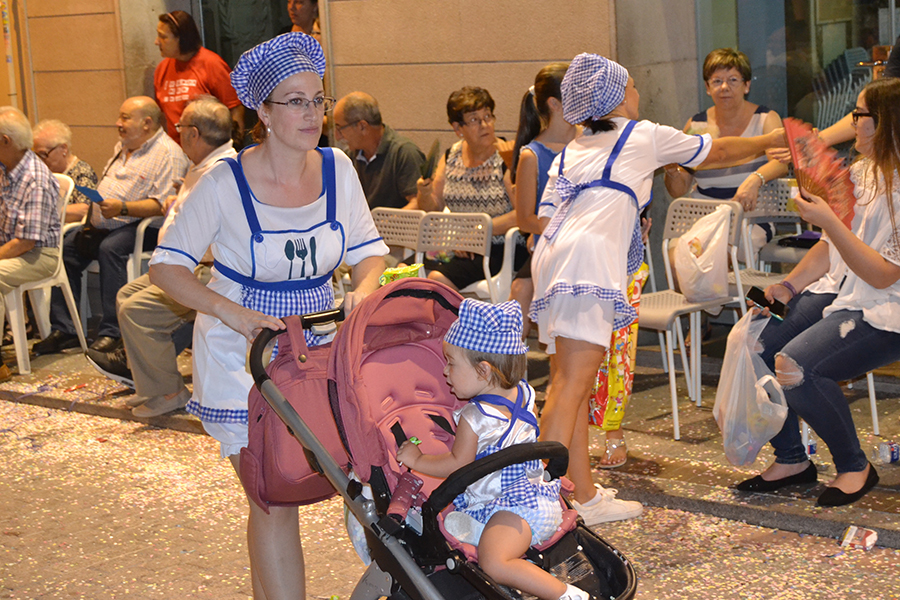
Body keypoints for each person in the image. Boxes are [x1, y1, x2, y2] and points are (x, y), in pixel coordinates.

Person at [148, 33, 387, 598]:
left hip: (321, 349)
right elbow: (166, 267)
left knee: (332, 483)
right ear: (263, 110)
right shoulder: (223, 182)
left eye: (318, 100)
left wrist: (363, 288)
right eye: (296, 101)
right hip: (242, 356)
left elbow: (369, 250)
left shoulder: (338, 168)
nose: (313, 114)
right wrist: (229, 312)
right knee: (273, 495)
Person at [531, 53, 786, 525]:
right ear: (614, 96)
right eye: (631, 85)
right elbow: (716, 153)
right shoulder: (641, 134)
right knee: (572, 387)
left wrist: (620, 224)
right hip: (587, 262)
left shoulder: (573, 147)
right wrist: (769, 141)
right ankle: (537, 500)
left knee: (568, 384)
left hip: (554, 259)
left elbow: (546, 219)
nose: (638, 92)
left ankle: (582, 496)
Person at [735, 78, 900, 507]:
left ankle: (854, 466)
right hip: (839, 289)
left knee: (795, 365)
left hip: (885, 307)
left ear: (886, 123)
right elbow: (829, 249)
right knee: (750, 338)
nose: (852, 122)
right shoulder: (861, 172)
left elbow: (883, 275)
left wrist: (828, 220)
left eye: (860, 114)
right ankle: (791, 458)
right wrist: (787, 286)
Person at [397, 299, 588, 600]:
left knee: (494, 562)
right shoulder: (524, 393)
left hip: (516, 510)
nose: (445, 371)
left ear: (483, 370)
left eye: (451, 363)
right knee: (470, 529)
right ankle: (480, 532)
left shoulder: (475, 417)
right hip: (538, 498)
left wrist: (417, 458)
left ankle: (566, 595)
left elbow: (456, 464)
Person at [85, 96, 237, 417]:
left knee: (138, 310)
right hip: (187, 264)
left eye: (180, 127)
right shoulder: (205, 165)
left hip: (209, 271)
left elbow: (214, 235)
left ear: (193, 133)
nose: (177, 133)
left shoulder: (221, 172)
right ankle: (147, 382)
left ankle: (168, 391)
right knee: (127, 294)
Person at [33, 96, 189, 356]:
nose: (118, 123)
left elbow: (163, 205)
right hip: (108, 222)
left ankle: (112, 331)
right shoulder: (123, 147)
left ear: (147, 123)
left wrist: (123, 208)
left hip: (144, 226)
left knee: (110, 248)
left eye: (125, 118)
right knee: (66, 248)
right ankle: (66, 328)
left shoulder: (168, 153)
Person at [664, 48, 788, 262]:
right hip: (703, 214)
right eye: (717, 81)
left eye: (732, 80)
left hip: (750, 215)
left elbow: (781, 163)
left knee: (719, 254)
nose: (724, 87)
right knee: (677, 255)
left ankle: (736, 286)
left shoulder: (765, 118)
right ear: (707, 87)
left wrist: (755, 179)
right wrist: (671, 169)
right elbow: (679, 189)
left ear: (746, 85)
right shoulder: (696, 125)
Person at [417, 86, 528, 291]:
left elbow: (521, 214)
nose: (485, 125)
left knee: (436, 279)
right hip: (458, 246)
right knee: (403, 271)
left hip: (499, 247)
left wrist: (477, 234)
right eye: (475, 120)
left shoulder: (507, 156)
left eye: (488, 116)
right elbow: (434, 208)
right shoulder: (451, 156)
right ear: (458, 128)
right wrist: (424, 193)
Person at [508, 62, 577, 338]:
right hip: (552, 249)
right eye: (576, 92)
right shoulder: (532, 155)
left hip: (586, 248)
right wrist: (562, 227)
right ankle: (509, 358)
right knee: (524, 294)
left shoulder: (590, 143)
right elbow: (525, 219)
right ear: (554, 104)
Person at [0, 107, 61, 380]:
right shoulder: (6, 168)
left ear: (5, 141)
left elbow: (26, 242)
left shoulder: (34, 178)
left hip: (39, 255)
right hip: (12, 249)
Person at [154, 10, 244, 145]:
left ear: (181, 38)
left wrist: (234, 146)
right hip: (177, 150)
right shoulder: (162, 69)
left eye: (163, 37)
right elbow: (161, 116)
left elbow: (235, 108)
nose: (157, 42)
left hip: (209, 149)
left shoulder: (212, 64)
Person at [333, 92, 425, 209]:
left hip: (391, 221)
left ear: (362, 126)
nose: (337, 136)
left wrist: (382, 221)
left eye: (340, 128)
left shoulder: (404, 153)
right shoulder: (349, 156)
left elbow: (418, 203)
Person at [32, 119, 98, 223]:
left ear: (63, 148)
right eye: (37, 155)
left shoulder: (82, 172)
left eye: (43, 154)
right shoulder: (42, 170)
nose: (39, 160)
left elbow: (86, 209)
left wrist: (44, 212)